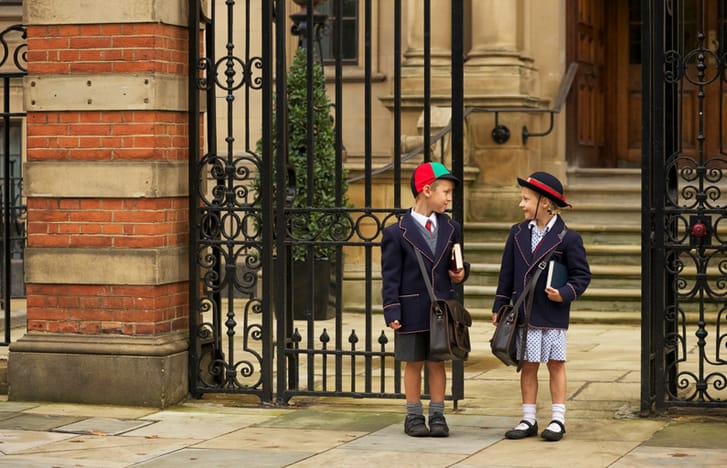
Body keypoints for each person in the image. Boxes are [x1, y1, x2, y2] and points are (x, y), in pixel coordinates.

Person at [492, 171, 591, 442]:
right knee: (528, 365)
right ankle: (528, 418)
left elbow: (582, 276)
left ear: (545, 203)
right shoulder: (517, 233)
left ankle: (558, 419)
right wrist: (500, 305)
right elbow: (506, 273)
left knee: (556, 364)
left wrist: (565, 293)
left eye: (526, 199)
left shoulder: (568, 238)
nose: (521, 204)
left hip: (553, 313)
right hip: (524, 314)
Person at [381, 161, 470, 437]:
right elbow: (390, 276)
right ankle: (413, 415)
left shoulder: (451, 227)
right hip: (410, 309)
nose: (448, 198)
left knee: (437, 362)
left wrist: (460, 273)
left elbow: (456, 263)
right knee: (414, 362)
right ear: (427, 190)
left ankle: (438, 414)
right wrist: (392, 309)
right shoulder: (396, 232)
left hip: (441, 309)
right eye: (445, 192)